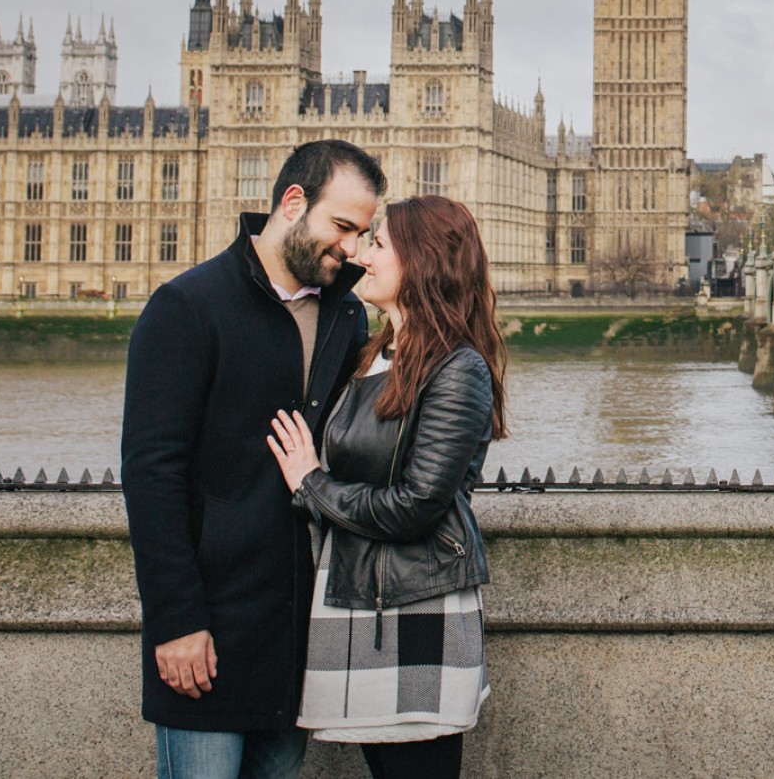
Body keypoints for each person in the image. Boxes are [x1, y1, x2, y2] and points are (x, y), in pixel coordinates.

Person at [122, 138, 387, 779]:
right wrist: (176, 621)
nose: (351, 248)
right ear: (293, 202)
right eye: (343, 227)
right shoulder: (188, 306)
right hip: (209, 626)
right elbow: (152, 475)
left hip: (296, 633)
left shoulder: (344, 314)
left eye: (363, 234)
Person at [267, 194, 506, 779]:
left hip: (414, 603)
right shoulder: (376, 355)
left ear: (421, 262)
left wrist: (310, 483)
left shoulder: (458, 367)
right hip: (359, 597)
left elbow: (417, 505)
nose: (362, 256)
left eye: (379, 244)